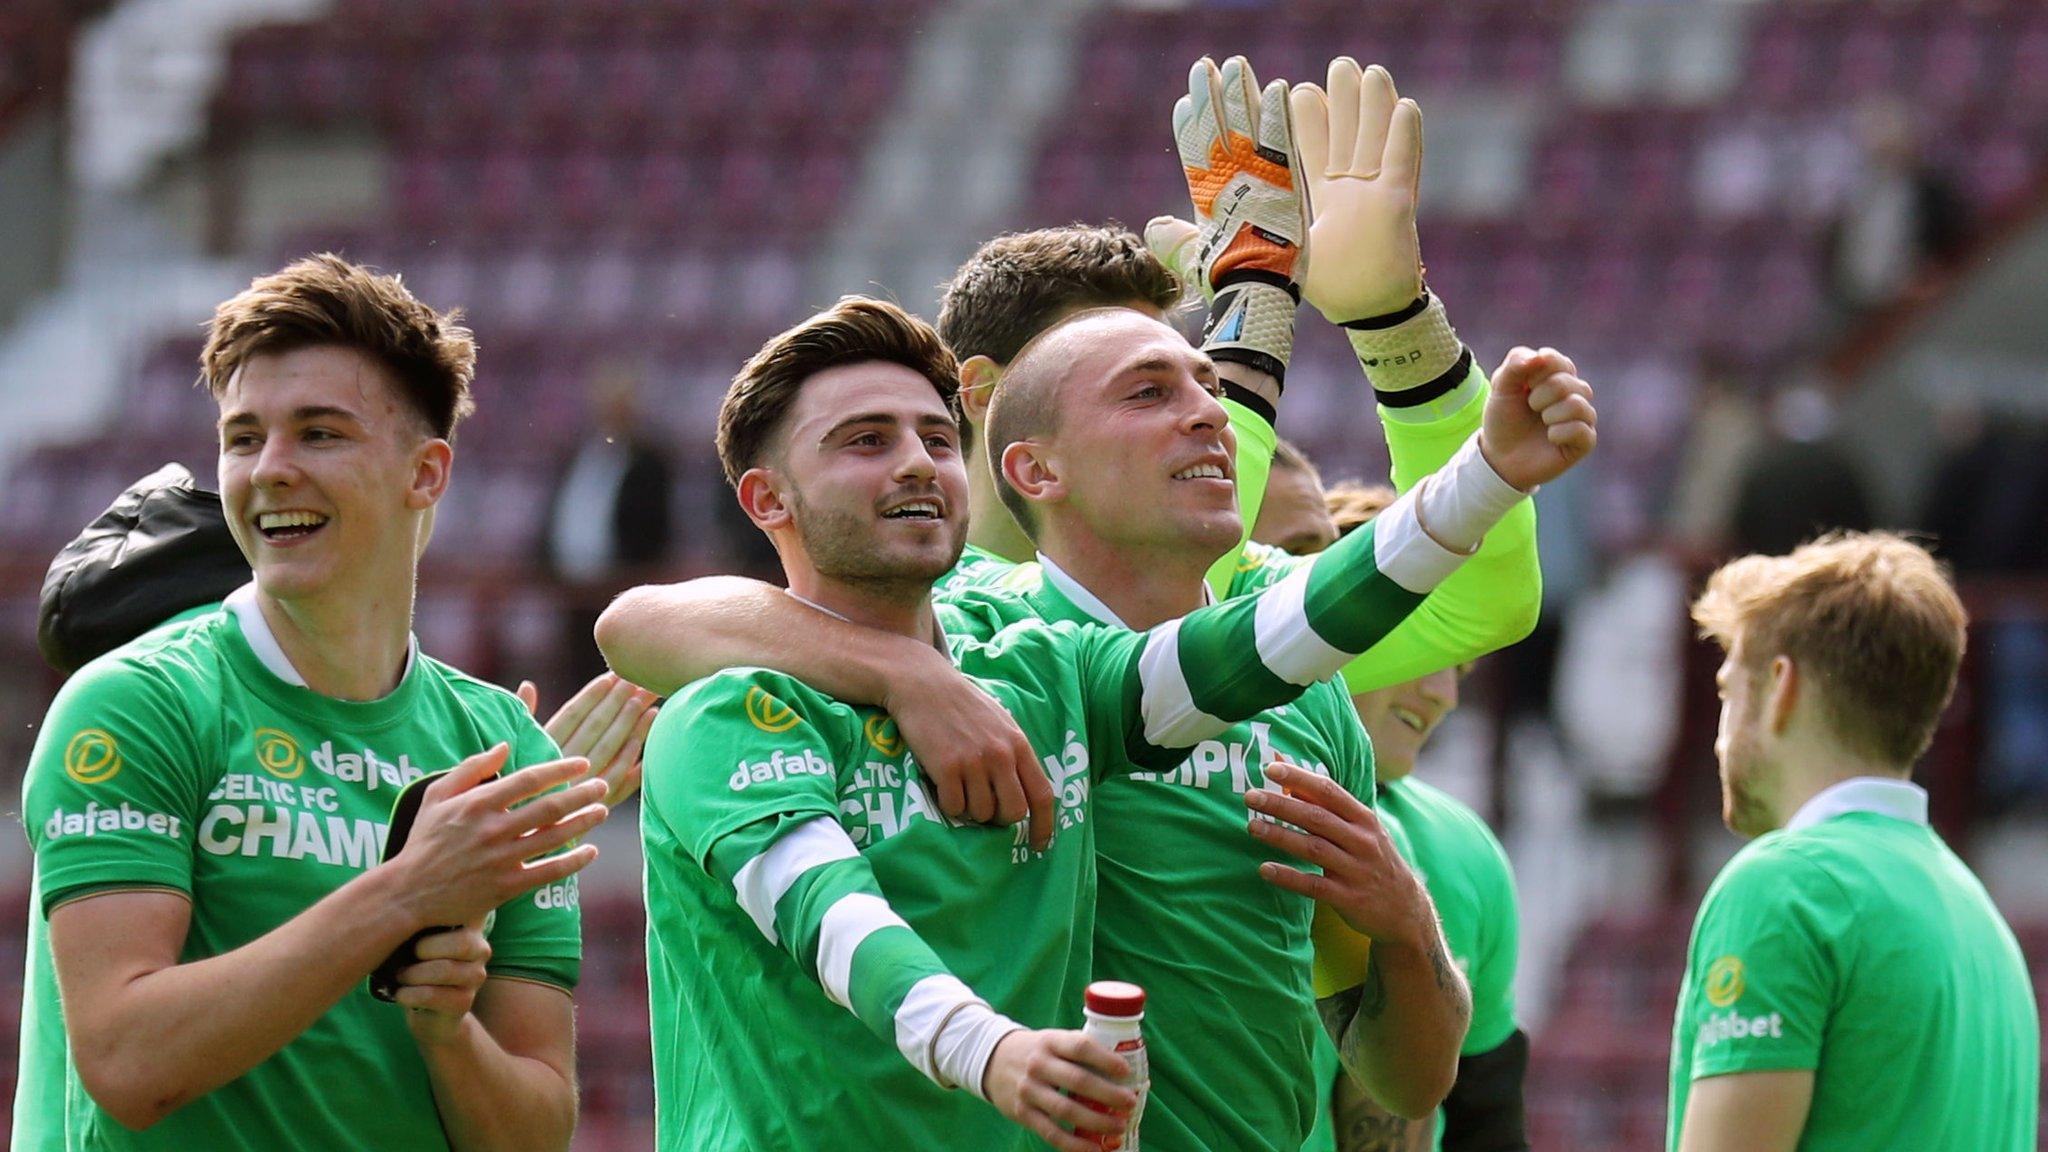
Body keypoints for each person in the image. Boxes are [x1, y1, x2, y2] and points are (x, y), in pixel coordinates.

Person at [601, 57, 1596, 1152]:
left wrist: (1395, 327)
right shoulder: (990, 630)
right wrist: (1258, 292)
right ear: (1018, 448)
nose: (1202, 415)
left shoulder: (1091, 670)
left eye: (1200, 373)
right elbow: (646, 629)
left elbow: (1465, 597)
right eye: (1138, 382)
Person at [19, 255, 615, 1151]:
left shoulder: (500, 746)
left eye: (320, 434)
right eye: (244, 437)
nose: (271, 471)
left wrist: (444, 1027)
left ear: (427, 474)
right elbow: (130, 1063)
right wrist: (409, 894)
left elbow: (533, 1133)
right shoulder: (134, 704)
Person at [1669, 532, 2039, 1151]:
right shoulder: (1985, 924)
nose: (1719, 739)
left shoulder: (1783, 888)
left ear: (1781, 687)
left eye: (1728, 691)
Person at [1254, 473, 1529, 1152]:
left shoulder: (1462, 850)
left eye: (1460, 669)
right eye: (1422, 651)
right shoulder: (1161, 782)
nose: (1442, 695)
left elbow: (1484, 1122)